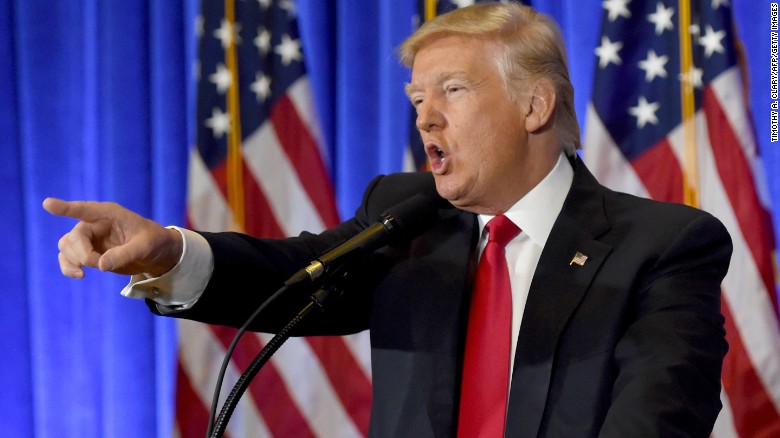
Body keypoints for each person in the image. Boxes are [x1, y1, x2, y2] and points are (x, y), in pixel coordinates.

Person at [44, 3, 732, 437]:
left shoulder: (662, 246)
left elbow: (660, 415)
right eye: (415, 96)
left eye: (453, 91)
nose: (424, 116)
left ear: (536, 107)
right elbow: (289, 277)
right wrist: (167, 252)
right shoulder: (408, 217)